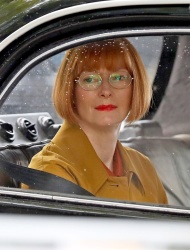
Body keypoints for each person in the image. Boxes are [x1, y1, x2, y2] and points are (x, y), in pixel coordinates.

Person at [22, 38, 168, 204]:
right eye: (90, 79)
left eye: (119, 78)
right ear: (70, 90)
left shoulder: (144, 167)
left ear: (136, 87)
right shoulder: (50, 172)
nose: (106, 91)